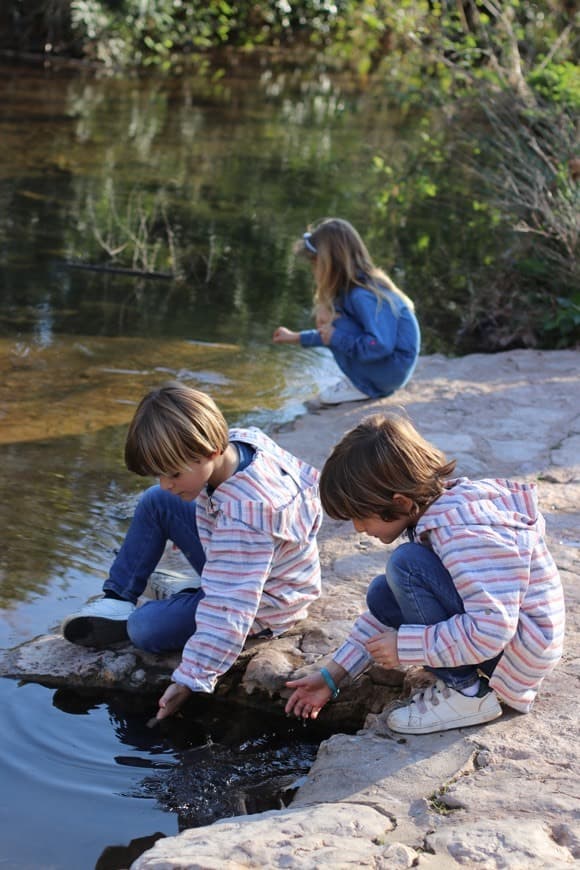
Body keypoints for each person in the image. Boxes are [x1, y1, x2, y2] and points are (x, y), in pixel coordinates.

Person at [285, 414, 565, 734]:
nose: (359, 529)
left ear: (400, 503)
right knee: (383, 591)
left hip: (517, 656)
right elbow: (386, 613)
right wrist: (333, 675)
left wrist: (406, 645)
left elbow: (491, 630)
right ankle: (463, 683)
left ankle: (467, 694)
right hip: (511, 644)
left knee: (406, 565)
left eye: (361, 517)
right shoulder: (438, 514)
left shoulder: (462, 534)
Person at [62, 382, 323, 721]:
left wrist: (191, 678)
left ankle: (179, 599)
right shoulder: (243, 441)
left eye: (172, 473)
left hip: (265, 601)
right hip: (251, 562)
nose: (165, 482)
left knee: (144, 628)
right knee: (158, 502)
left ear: (212, 450)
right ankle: (118, 598)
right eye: (160, 473)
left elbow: (230, 610)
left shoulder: (246, 517)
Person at [272, 218, 420, 405]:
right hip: (390, 370)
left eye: (314, 263)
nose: (313, 270)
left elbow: (379, 345)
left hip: (388, 374)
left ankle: (363, 386)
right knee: (334, 324)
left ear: (328, 264)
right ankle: (363, 380)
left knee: (334, 323)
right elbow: (335, 334)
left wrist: (336, 336)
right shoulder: (356, 288)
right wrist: (296, 337)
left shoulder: (362, 296)